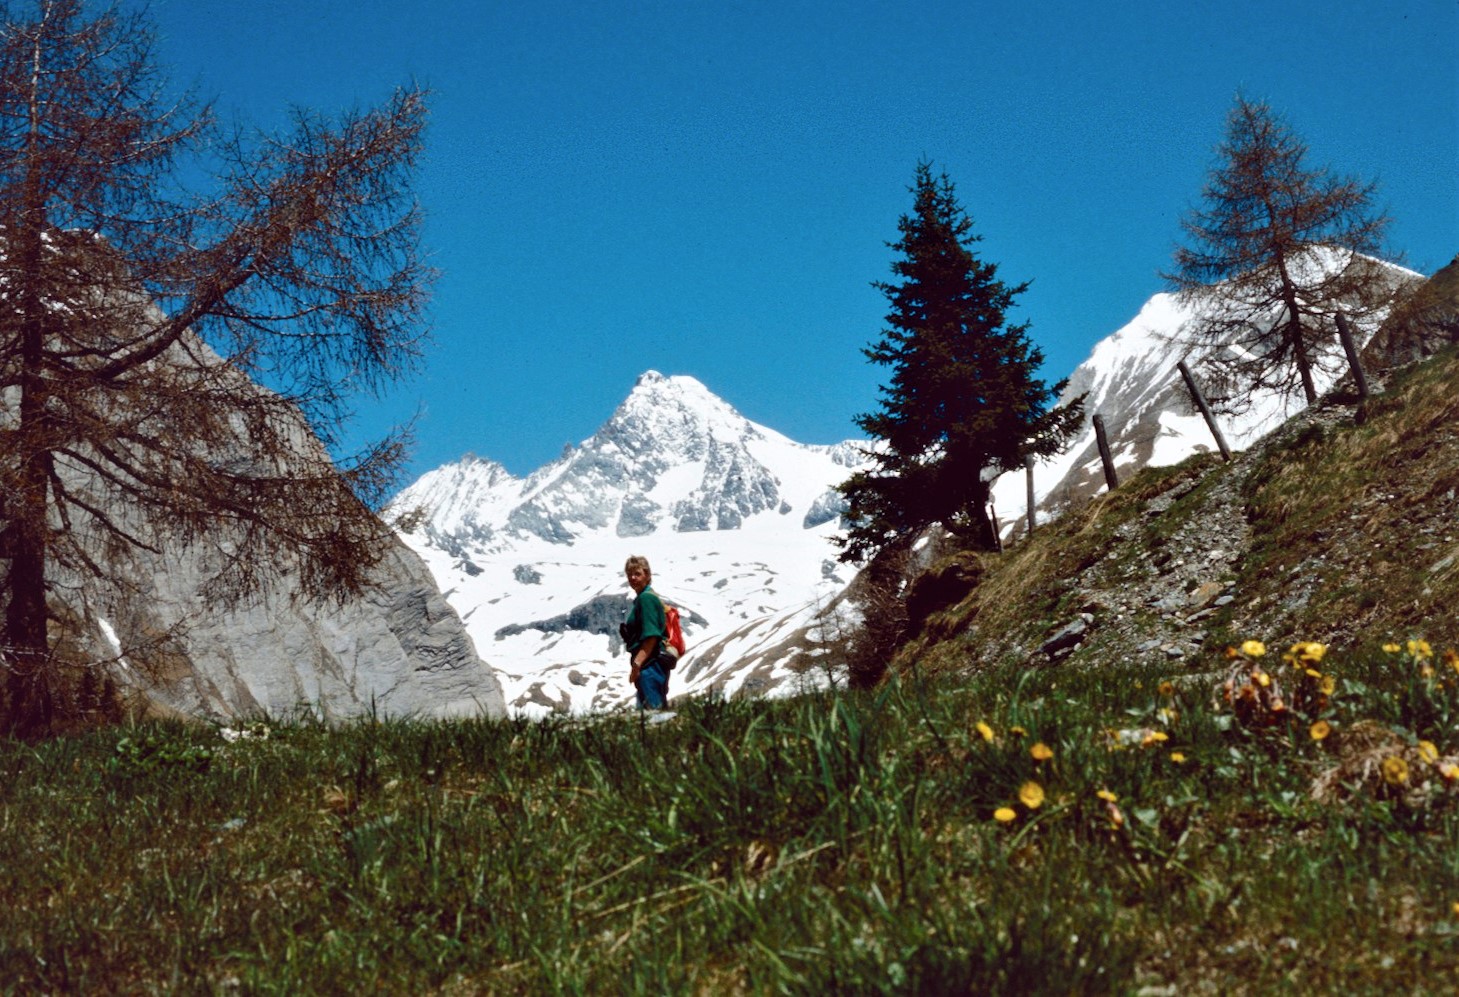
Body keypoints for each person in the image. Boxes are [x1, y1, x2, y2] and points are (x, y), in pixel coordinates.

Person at [621, 554, 670, 709]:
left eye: (638, 573)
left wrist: (637, 665)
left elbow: (652, 636)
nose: (633, 578)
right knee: (652, 710)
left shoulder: (646, 599)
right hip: (651, 662)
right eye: (630, 574)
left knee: (653, 712)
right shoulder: (645, 597)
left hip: (650, 664)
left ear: (647, 575)